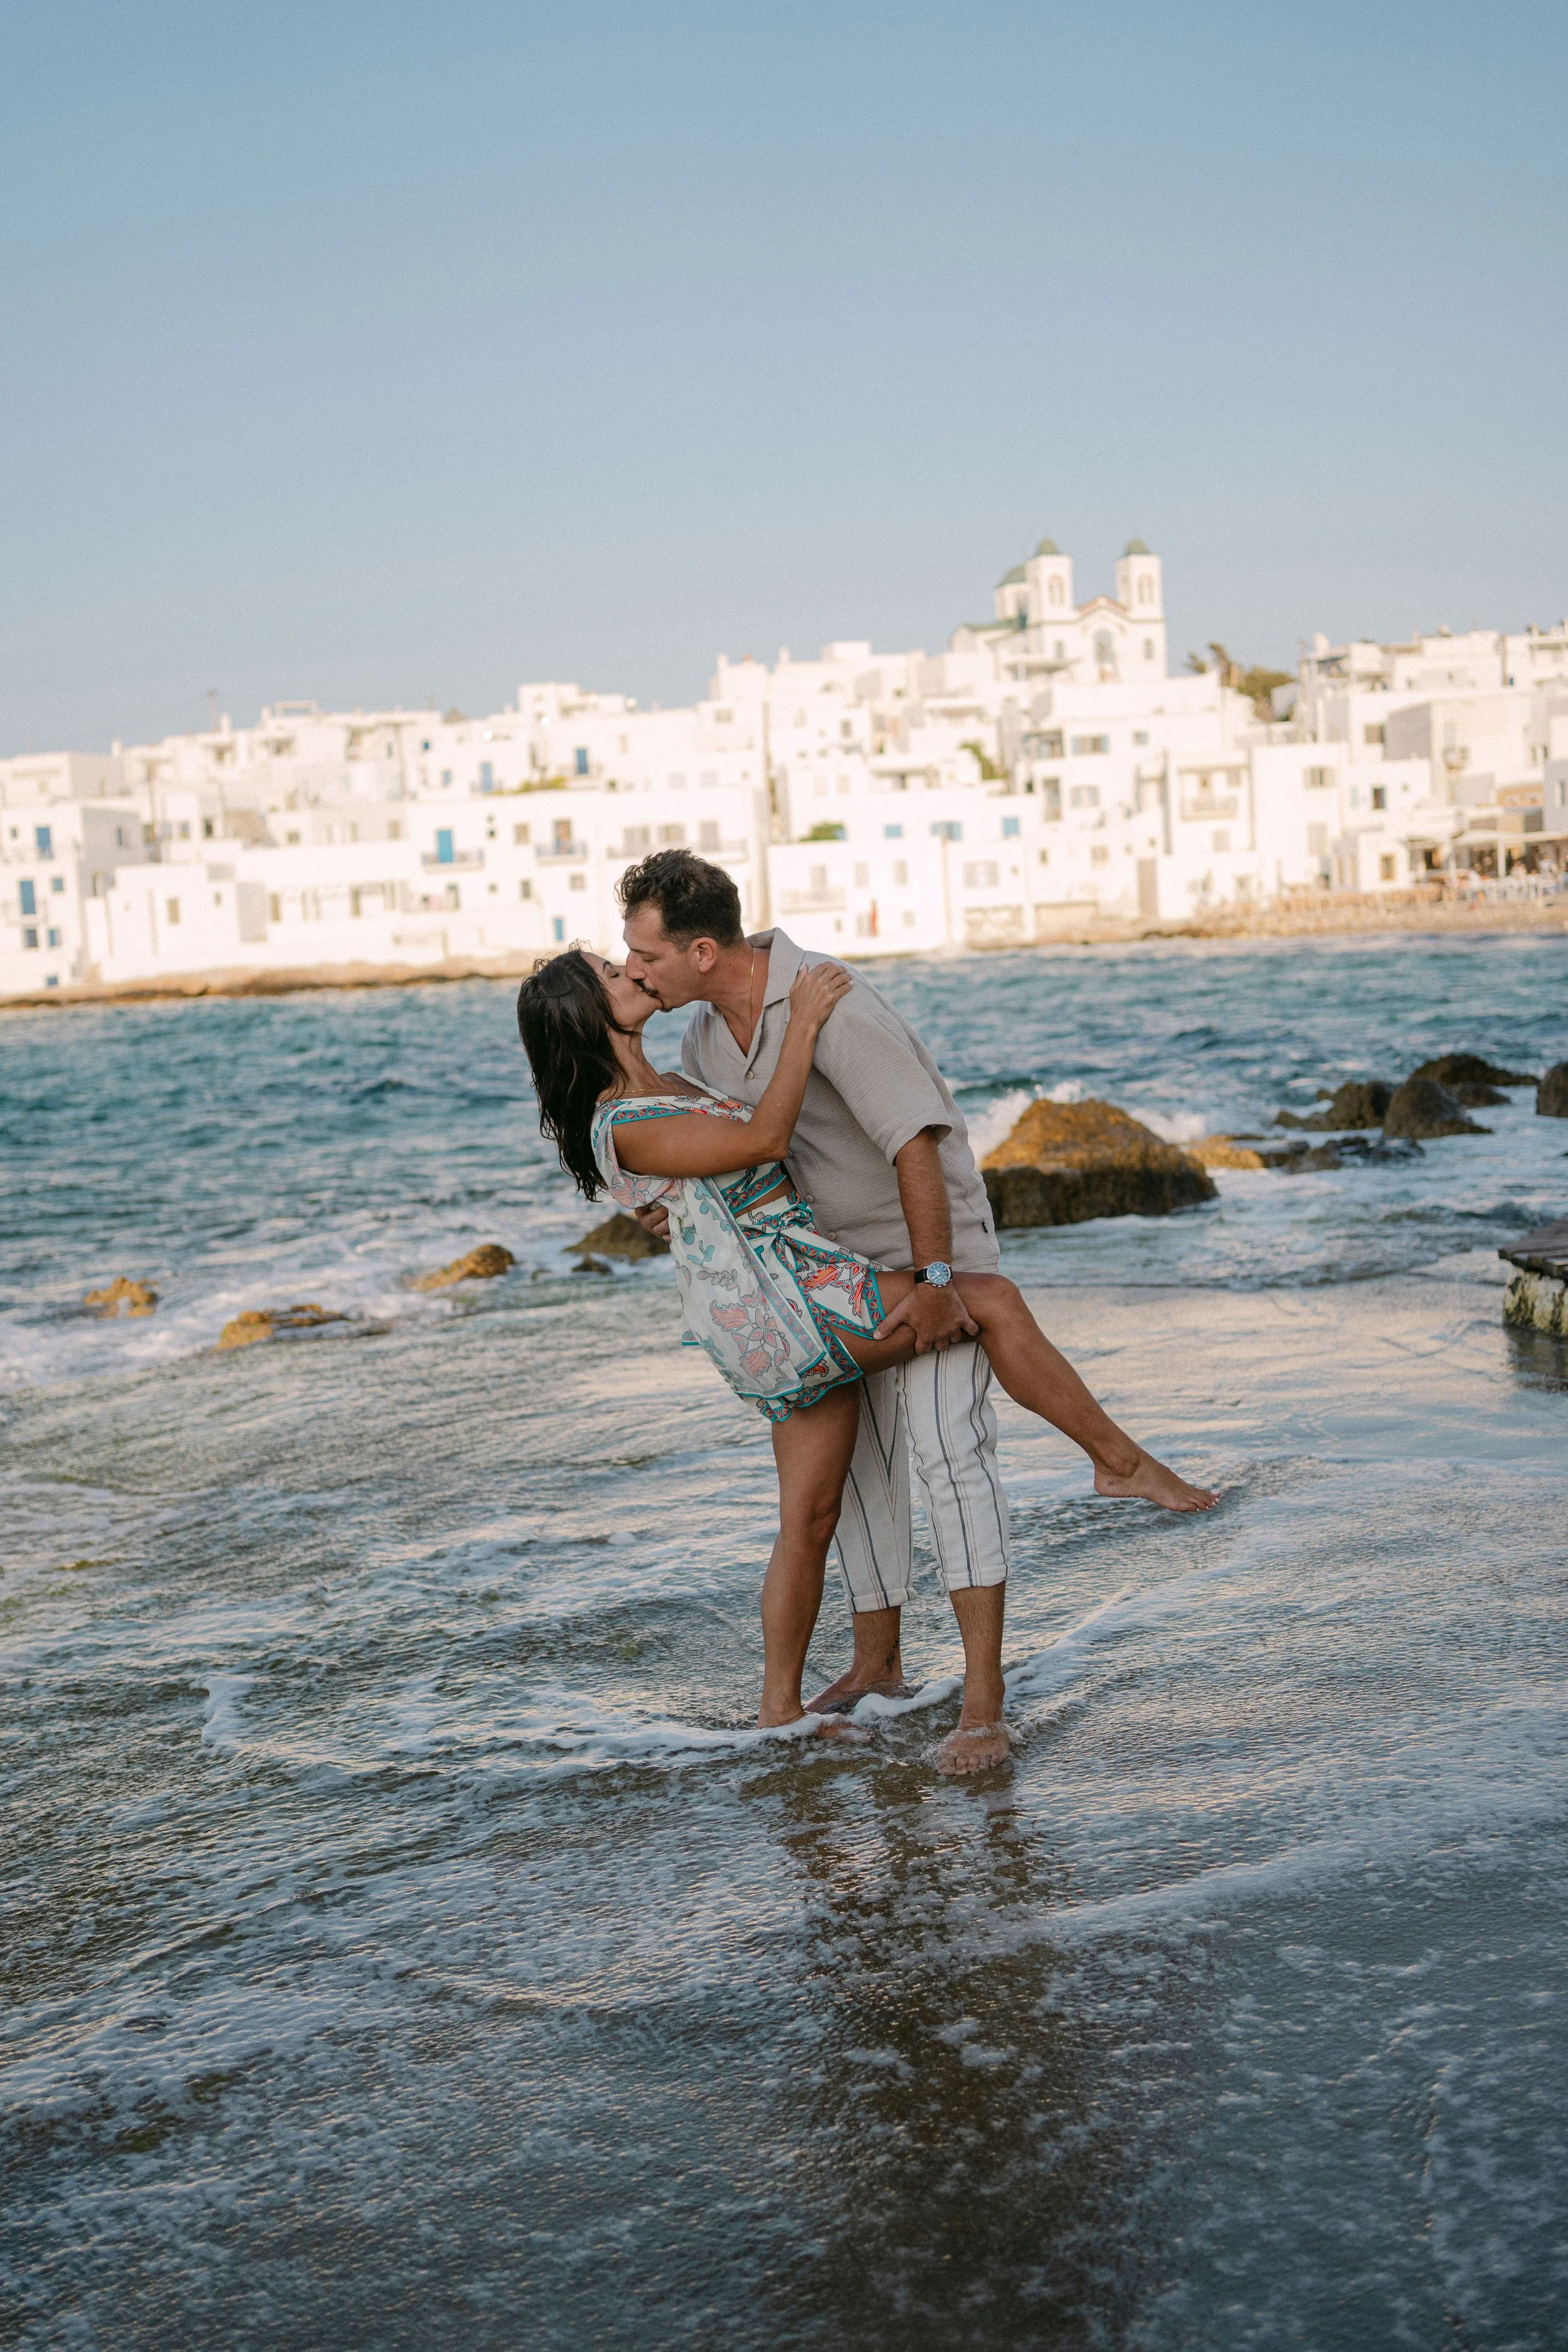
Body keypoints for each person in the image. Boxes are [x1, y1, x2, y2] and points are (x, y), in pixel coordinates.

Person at [517, 879, 1216, 1774]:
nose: (630, 972)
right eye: (613, 971)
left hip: (784, 1306)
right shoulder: (634, 1114)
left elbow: (715, 1174)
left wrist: (675, 1210)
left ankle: (782, 1709)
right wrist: (802, 1020)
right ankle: (1119, 1463)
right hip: (796, 1305)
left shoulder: (670, 1079)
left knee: (810, 1513)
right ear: (588, 1017)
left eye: (634, 957)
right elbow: (767, 1139)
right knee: (989, 1301)